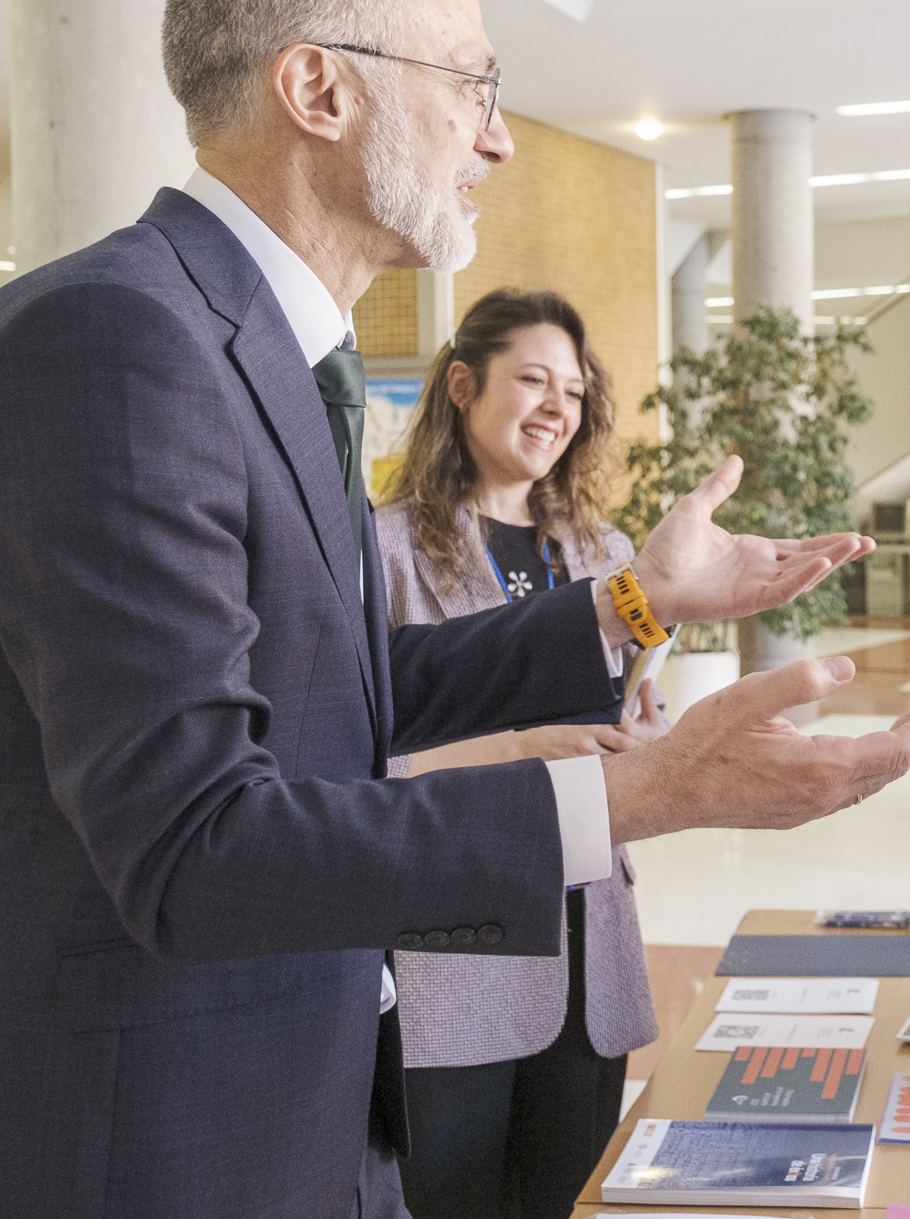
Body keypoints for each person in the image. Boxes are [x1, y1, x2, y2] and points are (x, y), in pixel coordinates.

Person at [0, 0, 910, 1219]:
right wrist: (640, 796)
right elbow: (194, 838)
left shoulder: (258, 352)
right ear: (317, 88)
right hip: (137, 1135)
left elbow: (347, 694)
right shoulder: (112, 344)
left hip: (292, 1092)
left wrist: (629, 601)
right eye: (471, 85)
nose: (497, 139)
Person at [372, 289, 661, 1218]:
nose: (555, 408)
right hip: (454, 953)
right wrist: (514, 746)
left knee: (568, 1200)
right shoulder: (380, 554)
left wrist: (649, 741)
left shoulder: (605, 554)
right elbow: (348, 767)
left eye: (573, 392)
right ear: (462, 385)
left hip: (591, 948)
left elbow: (635, 712)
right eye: (531, 379)